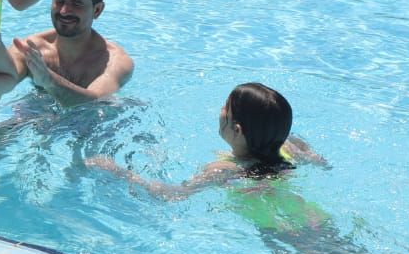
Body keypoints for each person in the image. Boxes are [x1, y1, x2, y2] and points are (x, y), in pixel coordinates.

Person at [86, 83, 326, 200]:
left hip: (274, 229)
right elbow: (319, 161)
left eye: (226, 108)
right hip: (313, 218)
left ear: (238, 130)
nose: (220, 111)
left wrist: (117, 172)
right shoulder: (290, 146)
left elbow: (172, 194)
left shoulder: (224, 169)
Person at [10, 0, 134, 108]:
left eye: (76, 4)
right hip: (40, 110)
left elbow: (95, 102)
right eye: (60, 1)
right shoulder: (32, 50)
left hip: (94, 122)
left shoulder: (115, 61)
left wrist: (48, 79)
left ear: (97, 10)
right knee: (0, 129)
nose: (64, 11)